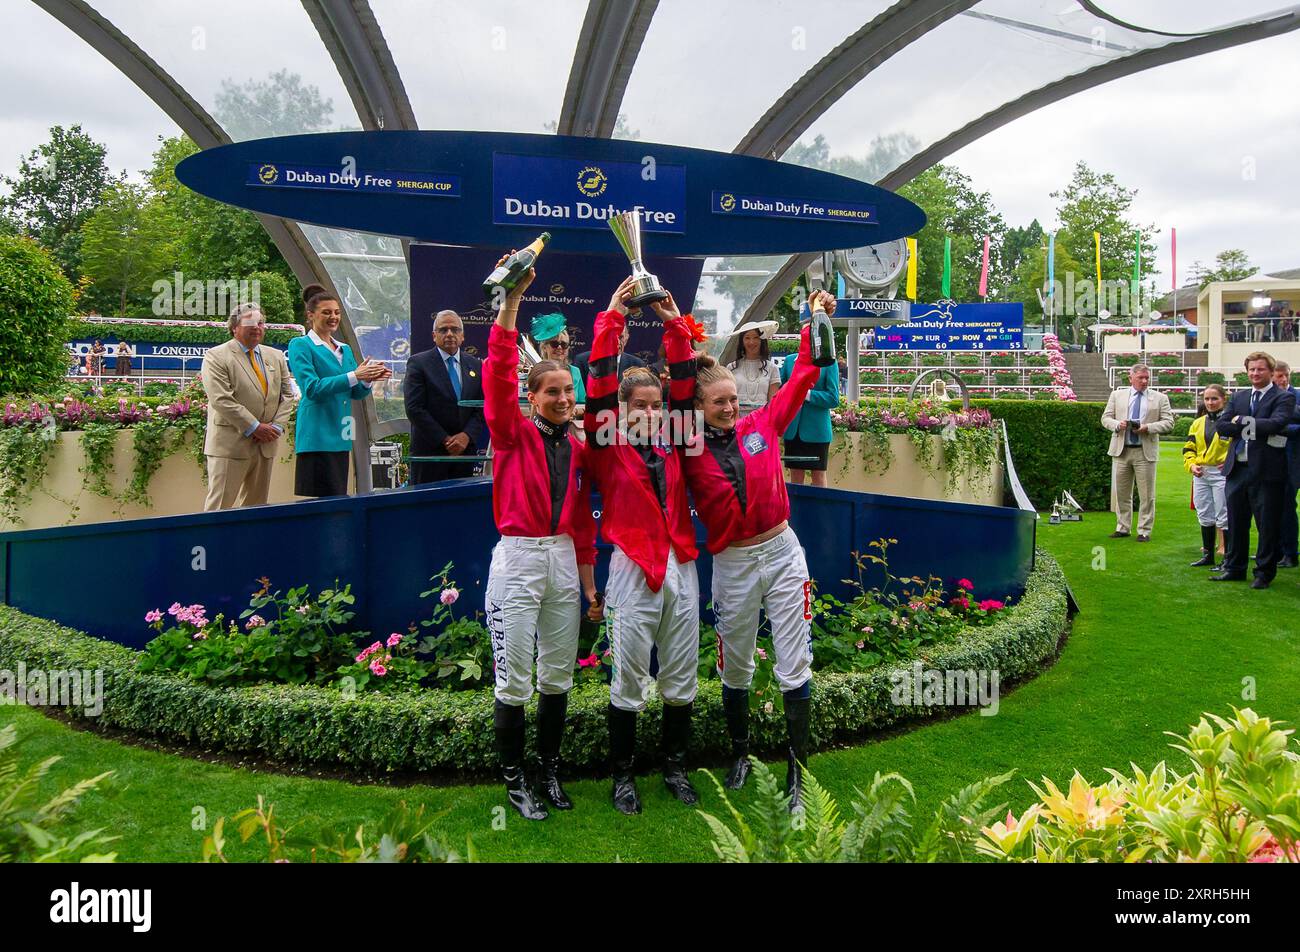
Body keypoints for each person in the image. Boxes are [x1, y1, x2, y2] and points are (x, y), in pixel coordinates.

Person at [682, 289, 837, 812]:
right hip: (732, 563)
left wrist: (817, 319)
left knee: (795, 661)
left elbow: (805, 377)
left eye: (731, 398)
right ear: (699, 407)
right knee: (736, 665)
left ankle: (799, 770)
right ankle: (741, 754)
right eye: (717, 401)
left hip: (782, 553)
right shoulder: (687, 447)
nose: (729, 407)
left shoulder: (762, 423)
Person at [483, 256, 599, 821]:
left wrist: (590, 587)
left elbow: (582, 523)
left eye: (567, 392)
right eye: (551, 391)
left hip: (561, 561)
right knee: (514, 681)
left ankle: (549, 770)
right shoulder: (510, 434)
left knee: (557, 676)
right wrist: (511, 303)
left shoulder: (577, 446)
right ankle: (514, 781)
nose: (561, 398)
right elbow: (499, 371)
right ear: (533, 397)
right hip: (519, 558)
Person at [585, 277, 699, 815]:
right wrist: (612, 317)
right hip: (632, 565)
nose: (652, 412)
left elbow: (685, 380)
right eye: (641, 404)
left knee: (681, 668)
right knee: (629, 671)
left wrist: (673, 321)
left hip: (680, 563)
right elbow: (601, 382)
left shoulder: (678, 438)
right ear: (623, 408)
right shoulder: (606, 443)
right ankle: (623, 776)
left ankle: (674, 768)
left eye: (657, 404)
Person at [286, 285, 390, 497]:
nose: (333, 317)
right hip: (317, 437)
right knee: (317, 503)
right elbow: (311, 388)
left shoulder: (345, 348)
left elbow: (355, 393)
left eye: (336, 312)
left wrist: (368, 380)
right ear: (310, 315)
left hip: (341, 435)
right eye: (326, 312)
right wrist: (355, 375)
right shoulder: (301, 345)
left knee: (338, 498)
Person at [1211, 352, 1298, 588]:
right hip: (1237, 469)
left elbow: (1276, 424)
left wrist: (1240, 423)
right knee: (1237, 522)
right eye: (1251, 370)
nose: (1255, 373)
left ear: (1271, 371)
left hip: (1267, 471)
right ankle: (1235, 567)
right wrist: (1247, 425)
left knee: (1267, 525)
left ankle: (1264, 573)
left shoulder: (1283, 398)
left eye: (1260, 369)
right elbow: (1222, 426)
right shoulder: (1239, 397)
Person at [200, 303, 295, 511]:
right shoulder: (216, 356)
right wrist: (254, 427)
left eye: (261, 322)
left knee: (256, 511)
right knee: (219, 509)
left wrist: (277, 427)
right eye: (250, 322)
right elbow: (221, 399)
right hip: (229, 446)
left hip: (266, 445)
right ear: (235, 327)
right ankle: (212, 544)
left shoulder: (276, 356)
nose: (257, 327)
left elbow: (288, 395)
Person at [403, 310, 487, 484]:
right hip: (430, 453)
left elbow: (480, 407)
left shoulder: (475, 364)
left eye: (455, 330)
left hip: (464, 454)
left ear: (462, 336)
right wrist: (445, 439)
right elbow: (414, 408)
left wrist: (466, 436)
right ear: (434, 336)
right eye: (443, 330)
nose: (450, 334)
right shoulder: (418, 363)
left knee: (460, 506)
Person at [1101, 364, 1174, 541]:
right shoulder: (1117, 395)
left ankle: (1144, 530)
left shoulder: (1160, 398)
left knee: (1147, 495)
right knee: (1121, 493)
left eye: (1147, 378)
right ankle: (1123, 527)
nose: (1144, 381)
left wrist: (1147, 427)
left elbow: (1169, 423)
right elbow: (1105, 418)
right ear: (1130, 378)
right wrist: (1118, 425)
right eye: (1140, 377)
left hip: (1145, 451)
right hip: (1121, 450)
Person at [781, 340, 840, 488]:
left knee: (818, 477)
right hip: (793, 431)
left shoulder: (829, 362)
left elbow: (833, 398)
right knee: (795, 477)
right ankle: (796, 511)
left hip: (817, 432)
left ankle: (820, 510)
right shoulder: (789, 361)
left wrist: (807, 394)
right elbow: (780, 391)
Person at [1182, 384, 1230, 566]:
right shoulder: (1198, 423)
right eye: (1207, 399)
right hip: (1201, 473)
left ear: (1223, 399)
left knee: (1223, 514)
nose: (1210, 402)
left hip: (1222, 473)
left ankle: (1228, 558)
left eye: (1214, 398)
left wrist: (1230, 461)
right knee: (1204, 513)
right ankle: (1208, 555)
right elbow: (1189, 448)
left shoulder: (1232, 421)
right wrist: (1191, 464)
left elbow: (1240, 446)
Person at [1271, 361, 1300, 567]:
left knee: (1288, 506)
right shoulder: (1268, 397)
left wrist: (1278, 427)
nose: (1282, 380)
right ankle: (1276, 550)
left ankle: (1291, 553)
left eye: (1285, 376)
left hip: (1292, 460)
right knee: (1272, 507)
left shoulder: (1296, 397)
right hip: (1271, 459)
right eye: (1278, 376)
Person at [530, 312, 585, 417]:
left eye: (564, 344)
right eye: (554, 344)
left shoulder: (575, 371)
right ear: (544, 347)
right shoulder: (536, 372)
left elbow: (584, 404)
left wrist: (574, 411)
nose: (560, 348)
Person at [727, 325, 780, 418]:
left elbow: (773, 402)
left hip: (762, 420)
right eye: (747, 338)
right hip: (737, 419)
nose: (751, 342)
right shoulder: (732, 367)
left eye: (756, 337)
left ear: (762, 340)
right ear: (742, 341)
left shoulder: (772, 368)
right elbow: (728, 398)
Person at [572, 320, 646, 381]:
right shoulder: (582, 361)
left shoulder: (638, 365)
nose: (617, 342)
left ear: (626, 338)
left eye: (621, 337)